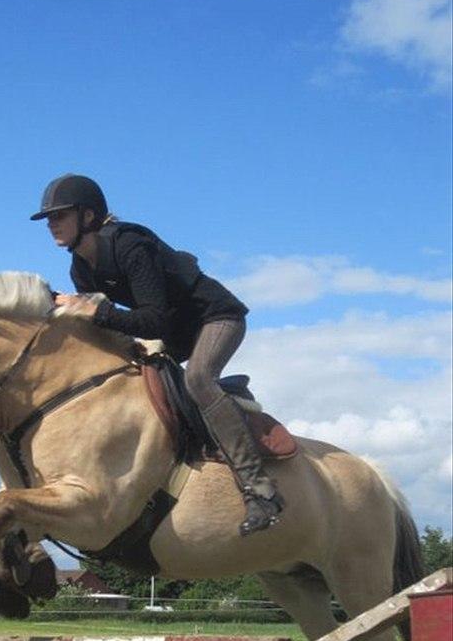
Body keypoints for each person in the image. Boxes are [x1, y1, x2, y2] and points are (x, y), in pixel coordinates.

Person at [30, 173, 284, 536]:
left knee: (198, 378)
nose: (52, 224)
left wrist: (94, 311)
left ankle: (260, 490)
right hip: (176, 332)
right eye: (49, 218)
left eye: (60, 215)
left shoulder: (129, 244)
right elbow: (108, 326)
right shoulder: (81, 266)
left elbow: (153, 320)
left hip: (215, 318)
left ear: (87, 216)